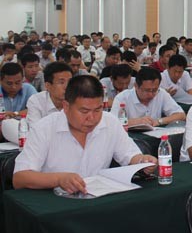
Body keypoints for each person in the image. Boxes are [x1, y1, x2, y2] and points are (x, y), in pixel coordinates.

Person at [13, 75, 157, 193]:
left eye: (97, 110)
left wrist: (143, 161)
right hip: (55, 203)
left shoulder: (110, 122)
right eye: (84, 111)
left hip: (98, 199)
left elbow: (130, 155)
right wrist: (59, 179)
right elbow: (20, 178)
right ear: (66, 106)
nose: (92, 118)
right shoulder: (44, 128)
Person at [111, 67, 186, 127]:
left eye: (154, 90)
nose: (151, 94)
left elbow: (181, 115)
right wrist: (136, 122)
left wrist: (159, 121)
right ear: (136, 86)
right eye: (147, 90)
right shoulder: (122, 98)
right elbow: (112, 122)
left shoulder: (161, 93)